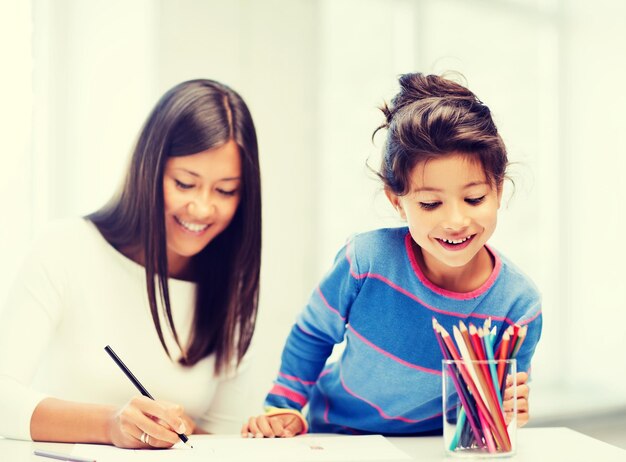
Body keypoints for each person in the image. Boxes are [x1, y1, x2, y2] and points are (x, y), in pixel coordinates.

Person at [242, 73, 542, 438]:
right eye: (430, 203)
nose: (455, 221)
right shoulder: (366, 261)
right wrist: (283, 407)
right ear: (396, 202)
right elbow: (314, 333)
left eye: (474, 199)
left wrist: (508, 413)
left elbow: (494, 415)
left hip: (433, 448)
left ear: (498, 188)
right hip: (336, 434)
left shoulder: (519, 305)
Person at [0, 79, 261, 448]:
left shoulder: (228, 291)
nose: (202, 208)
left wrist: (176, 428)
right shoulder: (65, 247)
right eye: (185, 184)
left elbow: (224, 441)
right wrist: (110, 424)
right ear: (148, 170)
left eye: (225, 191)